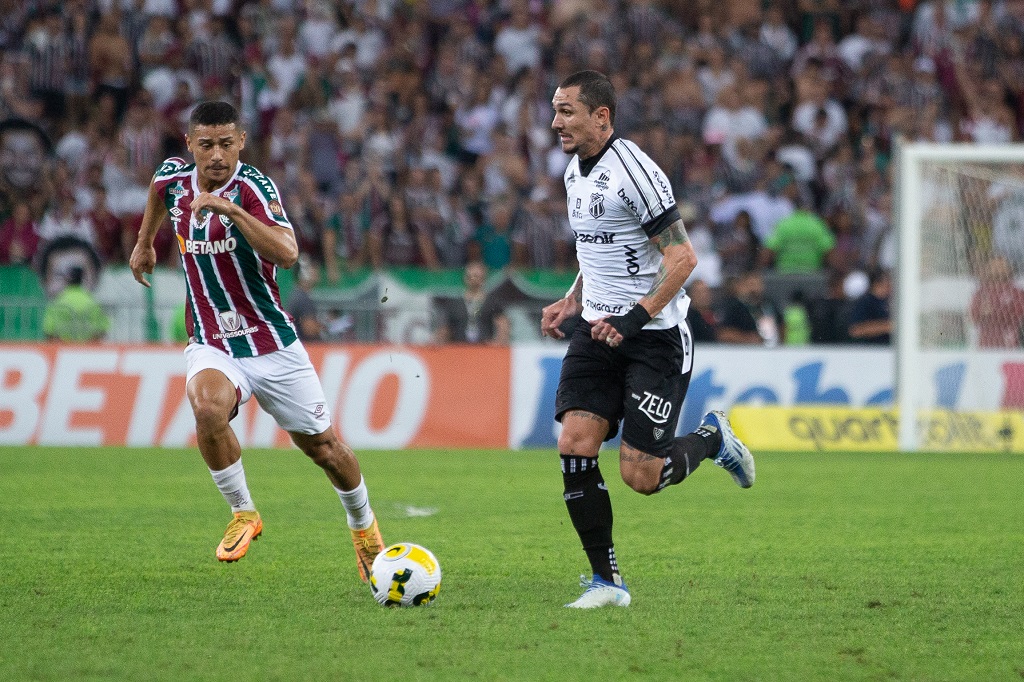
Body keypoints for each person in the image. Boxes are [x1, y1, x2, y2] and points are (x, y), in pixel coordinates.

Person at [128, 102, 385, 578]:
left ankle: (364, 526)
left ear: (242, 141)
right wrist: (145, 242)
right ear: (190, 146)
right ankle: (243, 512)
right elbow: (157, 191)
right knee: (207, 409)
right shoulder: (173, 179)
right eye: (206, 145)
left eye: (227, 143)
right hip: (211, 342)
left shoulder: (253, 189)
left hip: (272, 344)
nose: (217, 154)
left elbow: (288, 253)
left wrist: (229, 210)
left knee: (326, 450)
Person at [540, 71, 755, 609]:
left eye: (567, 111)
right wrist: (573, 297)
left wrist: (633, 320)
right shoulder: (573, 174)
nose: (556, 121)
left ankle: (713, 441)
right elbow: (598, 249)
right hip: (595, 329)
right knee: (575, 444)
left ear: (602, 117)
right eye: (555, 110)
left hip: (653, 337)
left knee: (642, 475)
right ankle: (606, 583)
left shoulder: (634, 172)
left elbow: (682, 258)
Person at [432, 260, 510, 344]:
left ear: (483, 278)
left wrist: (498, 342)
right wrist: (438, 339)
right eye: (469, 276)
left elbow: (503, 324)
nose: (472, 279)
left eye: (476, 276)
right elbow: (446, 327)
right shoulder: (454, 302)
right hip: (459, 348)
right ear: (465, 278)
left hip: (484, 349)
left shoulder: (492, 302)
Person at [42, 266, 109, 342]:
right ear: (82, 279)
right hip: (87, 351)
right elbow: (102, 329)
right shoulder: (92, 301)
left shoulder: (58, 302)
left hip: (63, 349)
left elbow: (49, 331)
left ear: (67, 279)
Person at [970, 254, 1024, 348]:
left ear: (1009, 268)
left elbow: (1019, 314)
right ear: (988, 268)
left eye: (1001, 264)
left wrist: (994, 311)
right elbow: (973, 316)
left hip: (1009, 342)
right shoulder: (981, 292)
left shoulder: (1017, 292)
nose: (997, 267)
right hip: (986, 343)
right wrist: (983, 312)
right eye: (994, 265)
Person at [847, 268, 892, 344]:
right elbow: (855, 330)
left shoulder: (888, 302)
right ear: (878, 283)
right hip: (869, 350)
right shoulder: (865, 302)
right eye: (888, 281)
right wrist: (888, 326)